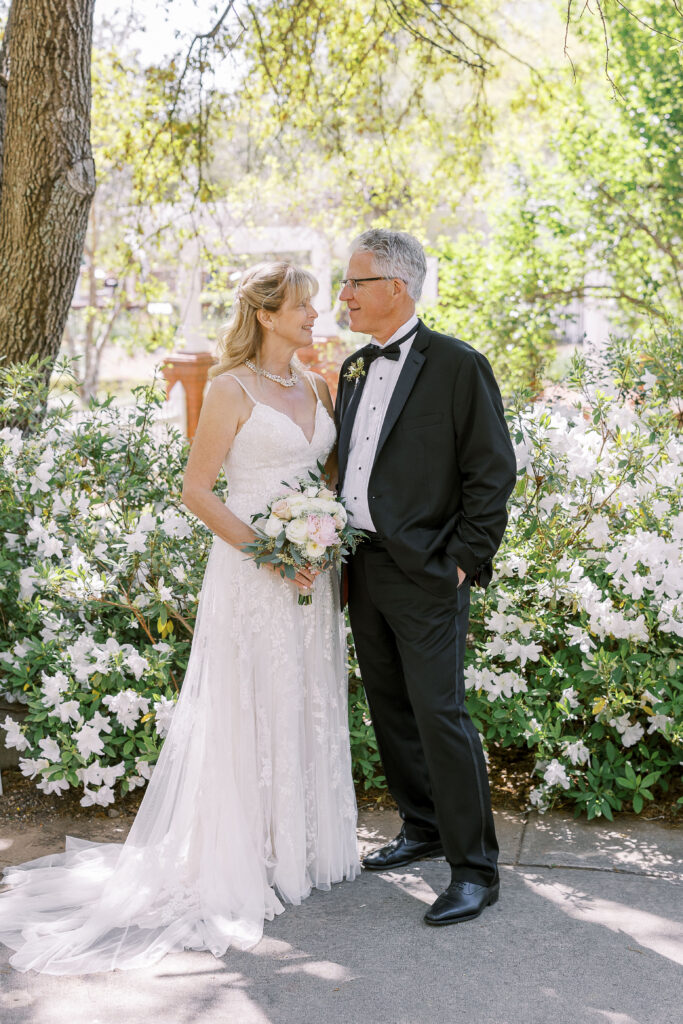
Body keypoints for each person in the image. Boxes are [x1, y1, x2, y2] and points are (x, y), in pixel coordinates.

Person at [0, 262, 359, 975]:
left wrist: (320, 535)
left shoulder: (318, 385)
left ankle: (296, 844)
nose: (314, 314)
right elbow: (197, 491)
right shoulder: (230, 389)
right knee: (247, 702)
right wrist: (269, 549)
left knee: (301, 699)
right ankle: (238, 852)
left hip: (309, 576)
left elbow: (325, 480)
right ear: (265, 314)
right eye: (303, 305)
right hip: (250, 574)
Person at [336, 229, 516, 926]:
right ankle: (421, 827)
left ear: (396, 288)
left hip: (428, 572)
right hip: (362, 567)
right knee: (389, 707)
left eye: (354, 283)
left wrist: (462, 561)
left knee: (441, 716)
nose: (343, 295)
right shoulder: (353, 366)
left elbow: (491, 471)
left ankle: (474, 870)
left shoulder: (457, 365)